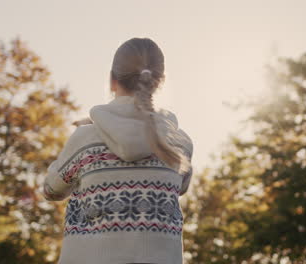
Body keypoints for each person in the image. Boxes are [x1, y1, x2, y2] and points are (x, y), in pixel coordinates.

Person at [42, 37, 193, 264]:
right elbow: (181, 187)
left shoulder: (85, 140)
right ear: (159, 81)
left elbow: (50, 190)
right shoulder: (179, 144)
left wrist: (83, 136)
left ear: (112, 80)